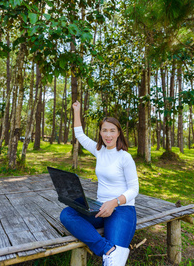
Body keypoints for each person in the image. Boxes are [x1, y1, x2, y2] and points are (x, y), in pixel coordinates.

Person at [60, 101, 139, 266]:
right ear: (101, 133)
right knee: (67, 214)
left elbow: (134, 189)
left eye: (112, 130)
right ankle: (106, 249)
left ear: (118, 133)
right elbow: (80, 135)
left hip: (122, 210)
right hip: (100, 208)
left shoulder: (125, 157)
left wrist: (114, 202)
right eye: (104, 130)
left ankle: (112, 254)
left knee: (113, 264)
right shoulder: (99, 151)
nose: (108, 135)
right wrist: (77, 111)